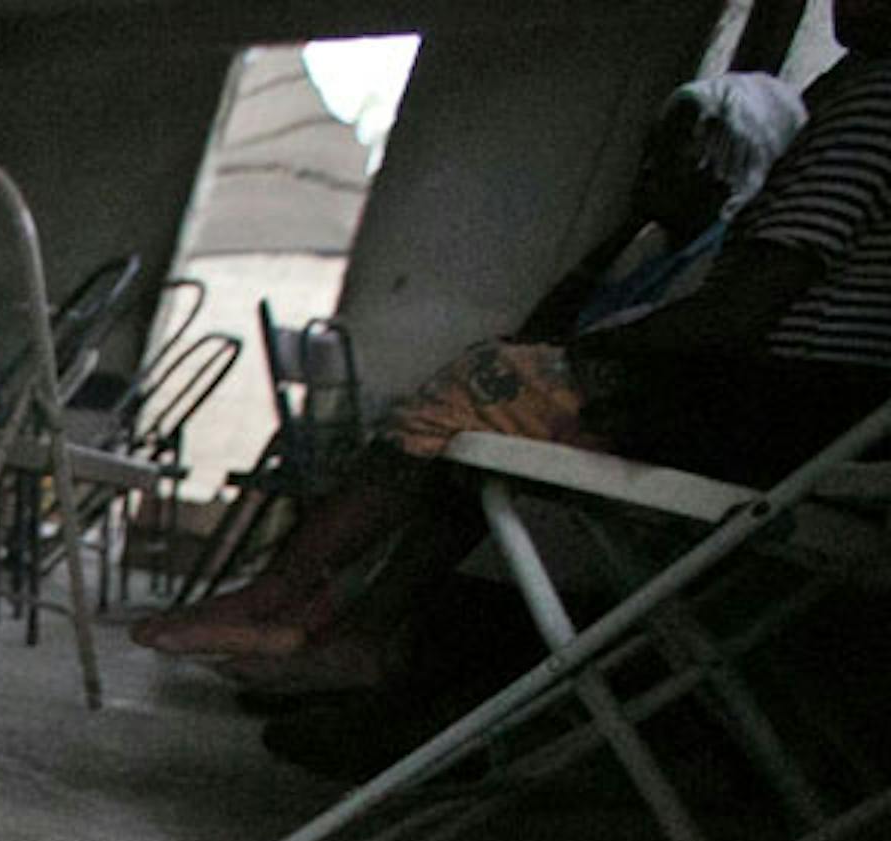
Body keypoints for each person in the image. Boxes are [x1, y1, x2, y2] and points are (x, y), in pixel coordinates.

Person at [135, 62, 854, 689]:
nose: (648, 176)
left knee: (472, 400)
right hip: (611, 409)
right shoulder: (650, 253)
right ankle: (330, 622)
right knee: (464, 429)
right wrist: (619, 234)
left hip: (682, 423)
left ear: (724, 163)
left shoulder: (713, 260)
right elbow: (544, 331)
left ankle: (292, 601)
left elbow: (593, 344)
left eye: (670, 159)